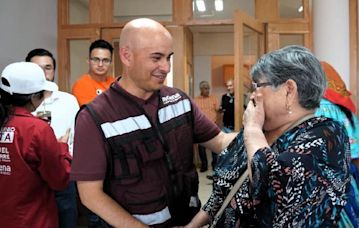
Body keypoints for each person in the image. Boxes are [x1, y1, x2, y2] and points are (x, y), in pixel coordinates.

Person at [70, 18, 236, 227]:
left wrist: (260, 130)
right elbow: (91, 195)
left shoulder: (179, 100)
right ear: (126, 56)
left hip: (186, 220)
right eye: (156, 58)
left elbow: (220, 141)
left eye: (169, 57)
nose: (165, 67)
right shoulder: (95, 117)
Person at [186, 45, 351, 227]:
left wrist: (252, 130)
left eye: (257, 86)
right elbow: (223, 194)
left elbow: (277, 195)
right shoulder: (261, 130)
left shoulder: (326, 136)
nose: (252, 95)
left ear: (289, 90)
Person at [0, 62, 72, 227]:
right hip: (32, 219)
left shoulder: (17, 124)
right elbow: (59, 179)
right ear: (34, 97)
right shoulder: (37, 129)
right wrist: (62, 147)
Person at [315, 61, 359, 227]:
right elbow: (358, 147)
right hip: (349, 171)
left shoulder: (319, 107)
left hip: (328, 176)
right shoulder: (344, 107)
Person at [25, 48, 80, 228]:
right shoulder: (19, 105)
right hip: (30, 177)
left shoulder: (69, 100)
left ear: (54, 71)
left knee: (67, 221)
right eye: (37, 68)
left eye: (47, 68)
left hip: (64, 172)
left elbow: (78, 137)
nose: (43, 73)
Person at [72, 39, 115, 106]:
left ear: (111, 63)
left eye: (105, 60)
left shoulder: (114, 83)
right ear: (88, 61)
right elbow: (94, 113)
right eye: (96, 59)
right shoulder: (81, 85)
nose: (100, 64)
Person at [194, 81, 219, 172]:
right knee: (202, 147)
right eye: (205, 88)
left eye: (208, 88)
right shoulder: (196, 100)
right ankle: (204, 165)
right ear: (201, 89)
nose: (207, 90)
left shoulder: (213, 98)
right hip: (201, 127)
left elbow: (218, 111)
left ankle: (215, 165)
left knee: (214, 147)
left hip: (213, 126)